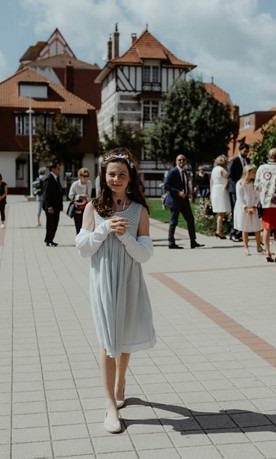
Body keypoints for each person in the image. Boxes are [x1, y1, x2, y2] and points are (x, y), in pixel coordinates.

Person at [75, 148, 155, 434]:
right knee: (108, 340)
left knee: (123, 337)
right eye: (112, 174)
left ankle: (121, 380)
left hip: (130, 280)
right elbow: (83, 248)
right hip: (103, 281)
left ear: (130, 177)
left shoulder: (139, 210)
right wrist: (105, 228)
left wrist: (125, 239)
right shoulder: (93, 208)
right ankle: (110, 405)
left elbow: (145, 254)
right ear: (103, 176)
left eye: (122, 174)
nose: (116, 178)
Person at [255, 148, 276, 262]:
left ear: (268, 156)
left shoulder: (261, 168)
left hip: (266, 203)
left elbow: (257, 186)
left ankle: (268, 253)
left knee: (267, 229)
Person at [162, 154, 203, 249]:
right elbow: (166, 186)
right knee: (173, 222)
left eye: (183, 160)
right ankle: (171, 243)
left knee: (190, 220)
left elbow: (184, 185)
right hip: (175, 201)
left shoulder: (185, 172)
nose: (181, 161)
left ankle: (193, 241)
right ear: (176, 161)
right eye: (179, 160)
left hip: (184, 201)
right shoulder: (173, 172)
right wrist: (178, 192)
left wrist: (188, 192)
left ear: (186, 161)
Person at [233, 165, 263, 255]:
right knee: (245, 228)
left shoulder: (255, 184)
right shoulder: (240, 183)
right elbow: (240, 197)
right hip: (243, 208)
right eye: (253, 172)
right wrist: (246, 208)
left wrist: (254, 206)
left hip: (253, 207)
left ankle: (259, 246)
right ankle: (246, 247)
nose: (255, 174)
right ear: (248, 172)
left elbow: (258, 196)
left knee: (257, 227)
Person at [227, 146, 249, 242]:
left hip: (245, 189)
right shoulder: (234, 161)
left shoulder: (247, 160)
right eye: (245, 151)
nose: (246, 153)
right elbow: (230, 175)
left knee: (242, 211)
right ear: (240, 150)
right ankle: (234, 232)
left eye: (247, 151)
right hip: (235, 189)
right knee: (237, 211)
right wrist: (238, 184)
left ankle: (236, 232)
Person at [41, 163, 64, 247]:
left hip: (56, 206)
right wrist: (49, 206)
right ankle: (48, 240)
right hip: (50, 206)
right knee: (50, 224)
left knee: (55, 223)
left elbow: (59, 193)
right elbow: (46, 194)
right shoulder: (48, 179)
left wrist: (61, 205)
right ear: (53, 169)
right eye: (58, 169)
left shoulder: (56, 178)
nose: (59, 170)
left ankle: (51, 239)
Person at [209, 155, 231, 239]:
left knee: (220, 212)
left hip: (215, 189)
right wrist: (226, 187)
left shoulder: (214, 170)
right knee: (222, 212)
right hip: (221, 190)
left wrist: (211, 192)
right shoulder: (222, 170)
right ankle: (219, 231)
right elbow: (227, 178)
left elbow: (211, 182)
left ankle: (219, 230)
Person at [69, 167, 94, 234]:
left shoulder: (89, 183)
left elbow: (89, 196)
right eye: (84, 176)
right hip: (78, 207)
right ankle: (78, 241)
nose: (86, 178)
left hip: (86, 207)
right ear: (80, 176)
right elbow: (70, 196)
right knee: (78, 225)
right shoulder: (75, 184)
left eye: (87, 176)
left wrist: (86, 197)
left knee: (86, 226)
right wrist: (79, 196)